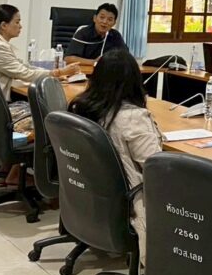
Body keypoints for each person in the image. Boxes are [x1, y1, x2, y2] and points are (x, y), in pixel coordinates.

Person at [68, 49, 164, 261]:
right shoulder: (132, 118)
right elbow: (156, 168)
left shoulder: (81, 108)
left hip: (94, 196)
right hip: (132, 202)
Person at [0, 4, 79, 130]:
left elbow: (24, 67)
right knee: (45, 117)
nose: (20, 26)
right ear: (4, 25)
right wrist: (58, 72)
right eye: (17, 22)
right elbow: (25, 73)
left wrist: (53, 74)